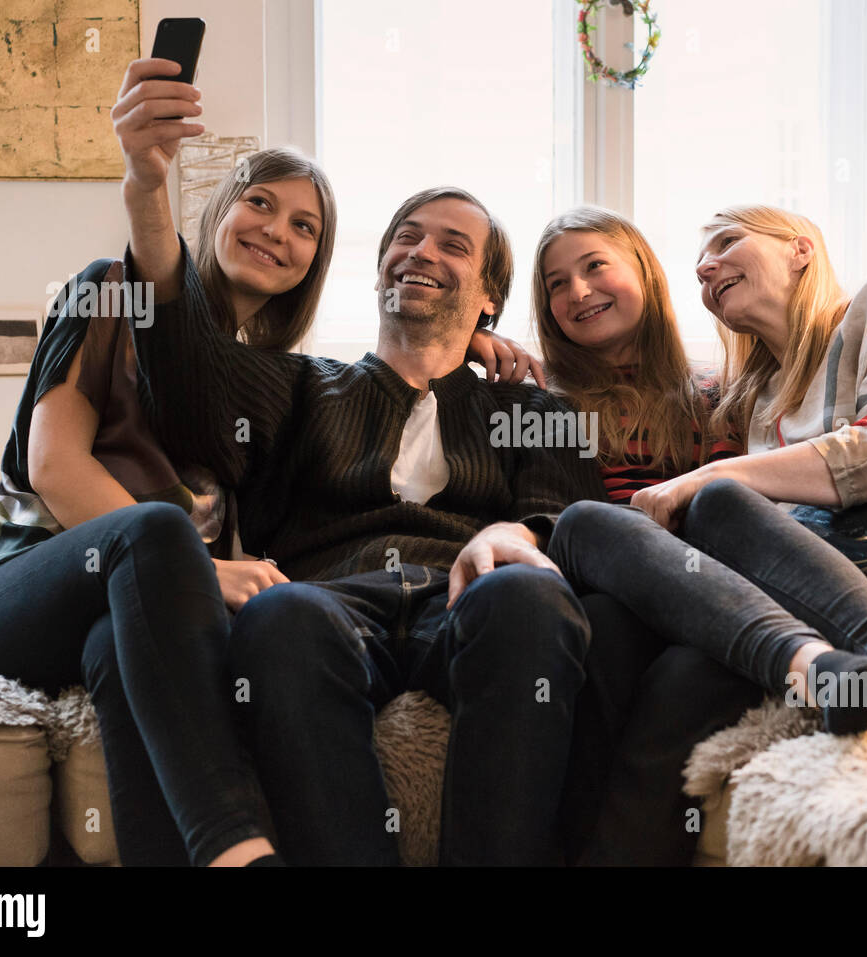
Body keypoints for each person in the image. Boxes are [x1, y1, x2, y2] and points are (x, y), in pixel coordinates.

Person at [0, 57, 538, 867]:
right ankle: (236, 851)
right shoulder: (110, 293)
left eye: (306, 227)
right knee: (154, 535)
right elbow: (55, 466)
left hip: (129, 614)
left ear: (317, 264)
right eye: (260, 203)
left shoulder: (269, 383)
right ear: (219, 212)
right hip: (22, 593)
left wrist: (464, 333)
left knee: (115, 650)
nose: (277, 230)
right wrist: (198, 568)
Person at [120, 146, 612, 862]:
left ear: (489, 297)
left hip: (467, 598)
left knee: (533, 599)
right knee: (280, 614)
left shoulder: (530, 407)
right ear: (380, 266)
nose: (421, 251)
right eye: (406, 237)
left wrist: (515, 535)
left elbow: (565, 520)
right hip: (329, 602)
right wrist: (147, 186)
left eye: (453, 245)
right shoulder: (296, 385)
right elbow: (180, 361)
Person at [535, 205, 867, 864]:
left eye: (727, 242)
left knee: (718, 499)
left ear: (800, 248)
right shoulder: (758, 399)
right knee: (676, 675)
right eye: (700, 263)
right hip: (816, 603)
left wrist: (715, 478)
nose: (705, 266)